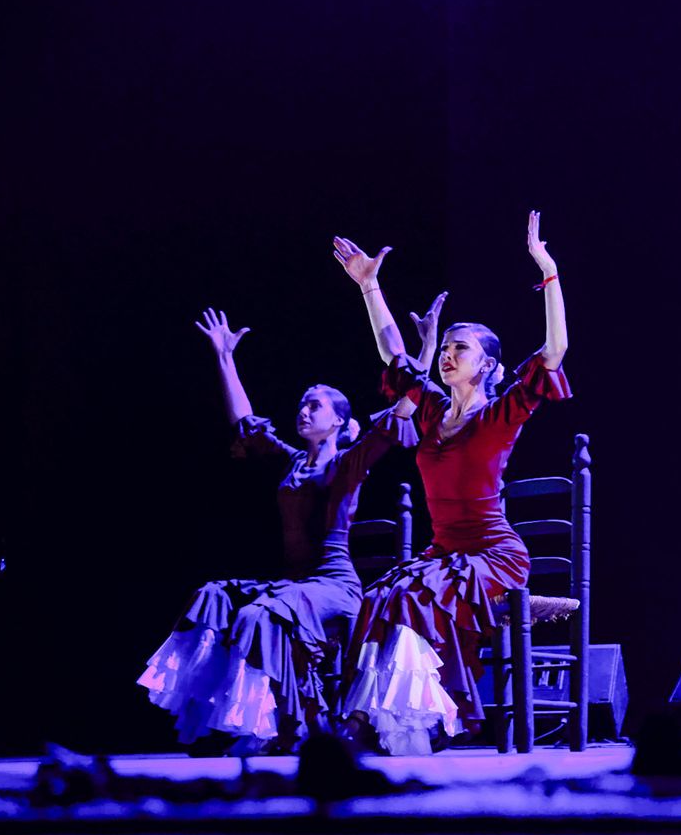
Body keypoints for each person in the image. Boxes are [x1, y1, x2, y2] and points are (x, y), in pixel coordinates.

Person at [136, 307, 434, 752]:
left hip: (334, 586)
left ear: (337, 420)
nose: (304, 410)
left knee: (261, 614)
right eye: (301, 403)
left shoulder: (348, 463)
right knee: (214, 596)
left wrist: (425, 352)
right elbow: (244, 424)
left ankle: (294, 724)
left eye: (315, 404)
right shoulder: (292, 462)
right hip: (294, 587)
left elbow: (403, 408)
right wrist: (224, 357)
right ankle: (239, 722)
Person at [330, 210, 571, 754]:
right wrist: (370, 287)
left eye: (460, 348)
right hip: (444, 553)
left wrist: (547, 271)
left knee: (416, 595)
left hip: (492, 554)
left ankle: (420, 725)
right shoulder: (433, 411)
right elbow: (394, 354)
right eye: (446, 346)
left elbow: (553, 354)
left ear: (486, 365)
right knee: (383, 596)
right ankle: (383, 720)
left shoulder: (503, 412)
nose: (446, 353)